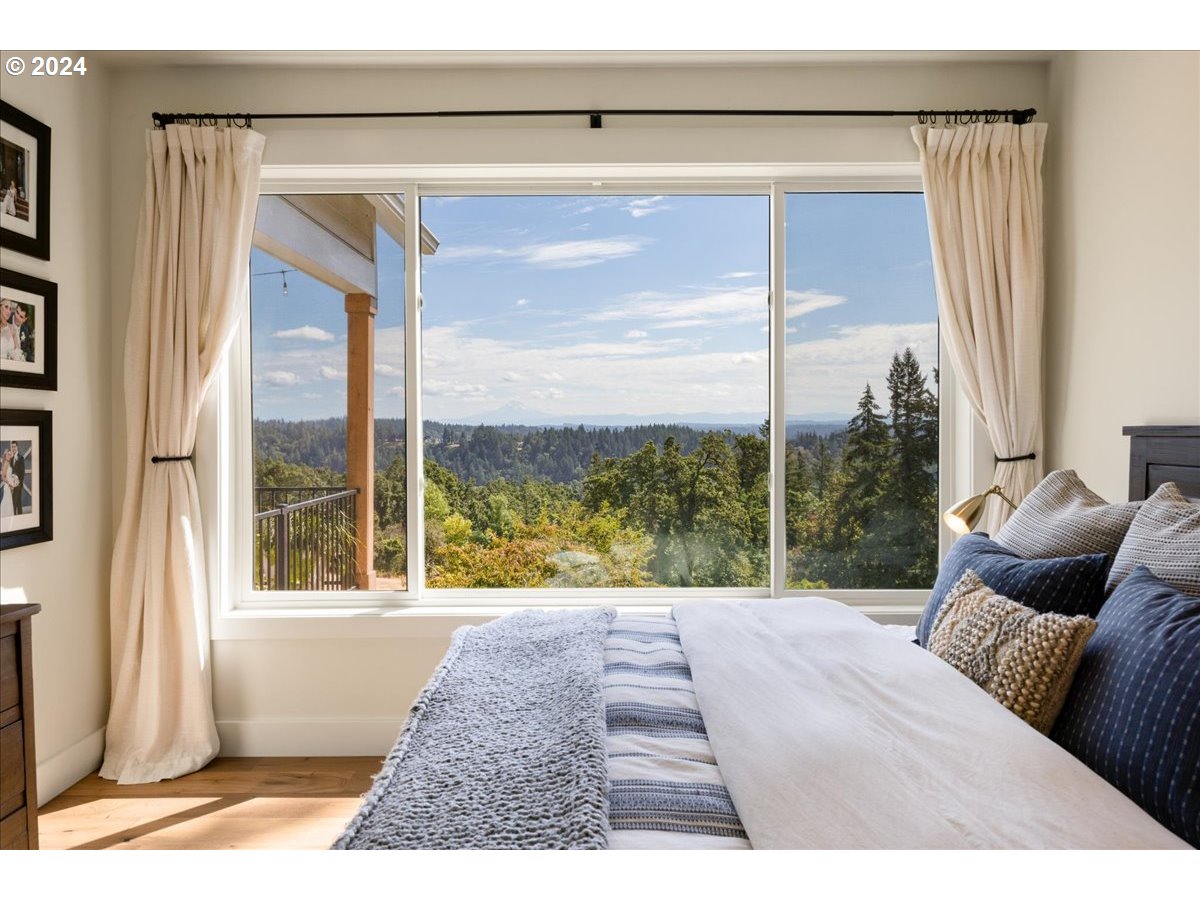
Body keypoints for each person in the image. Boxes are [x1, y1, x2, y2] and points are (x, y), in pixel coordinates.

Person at [8, 441, 23, 515]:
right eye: (12, 447)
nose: (13, 448)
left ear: (17, 447)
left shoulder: (21, 458)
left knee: (18, 503)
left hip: (18, 484)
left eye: (14, 446)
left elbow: (22, 473)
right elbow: (11, 472)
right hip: (12, 485)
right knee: (15, 502)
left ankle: (20, 518)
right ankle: (16, 517)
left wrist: (19, 484)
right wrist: (11, 483)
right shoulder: (11, 459)